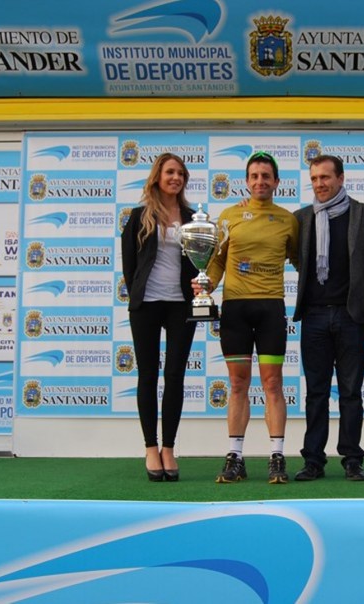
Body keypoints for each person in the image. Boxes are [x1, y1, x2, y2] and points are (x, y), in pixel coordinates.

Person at [200, 151, 299, 484]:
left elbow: (301, 261)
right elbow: (215, 260)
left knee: (273, 384)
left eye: (266, 176)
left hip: (271, 307)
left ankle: (277, 456)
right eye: (254, 176)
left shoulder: (288, 220)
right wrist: (206, 284)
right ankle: (235, 457)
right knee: (238, 384)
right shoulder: (229, 216)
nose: (260, 181)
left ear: (276, 182)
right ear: (247, 181)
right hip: (235, 308)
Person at [292, 155, 364, 481]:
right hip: (313, 317)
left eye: (325, 178)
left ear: (341, 178)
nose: (319, 184)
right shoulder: (301, 218)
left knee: (351, 393)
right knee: (316, 393)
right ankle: (313, 460)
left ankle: (352, 459)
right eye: (314, 179)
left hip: (350, 316)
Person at [121, 152, 199, 482]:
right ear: (157, 176)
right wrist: (139, 295)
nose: (175, 177)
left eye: (180, 173)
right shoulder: (139, 217)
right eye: (170, 172)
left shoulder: (194, 217)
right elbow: (129, 265)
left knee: (176, 376)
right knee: (149, 375)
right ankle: (150, 447)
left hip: (181, 304)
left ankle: (169, 447)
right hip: (147, 305)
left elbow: (200, 262)